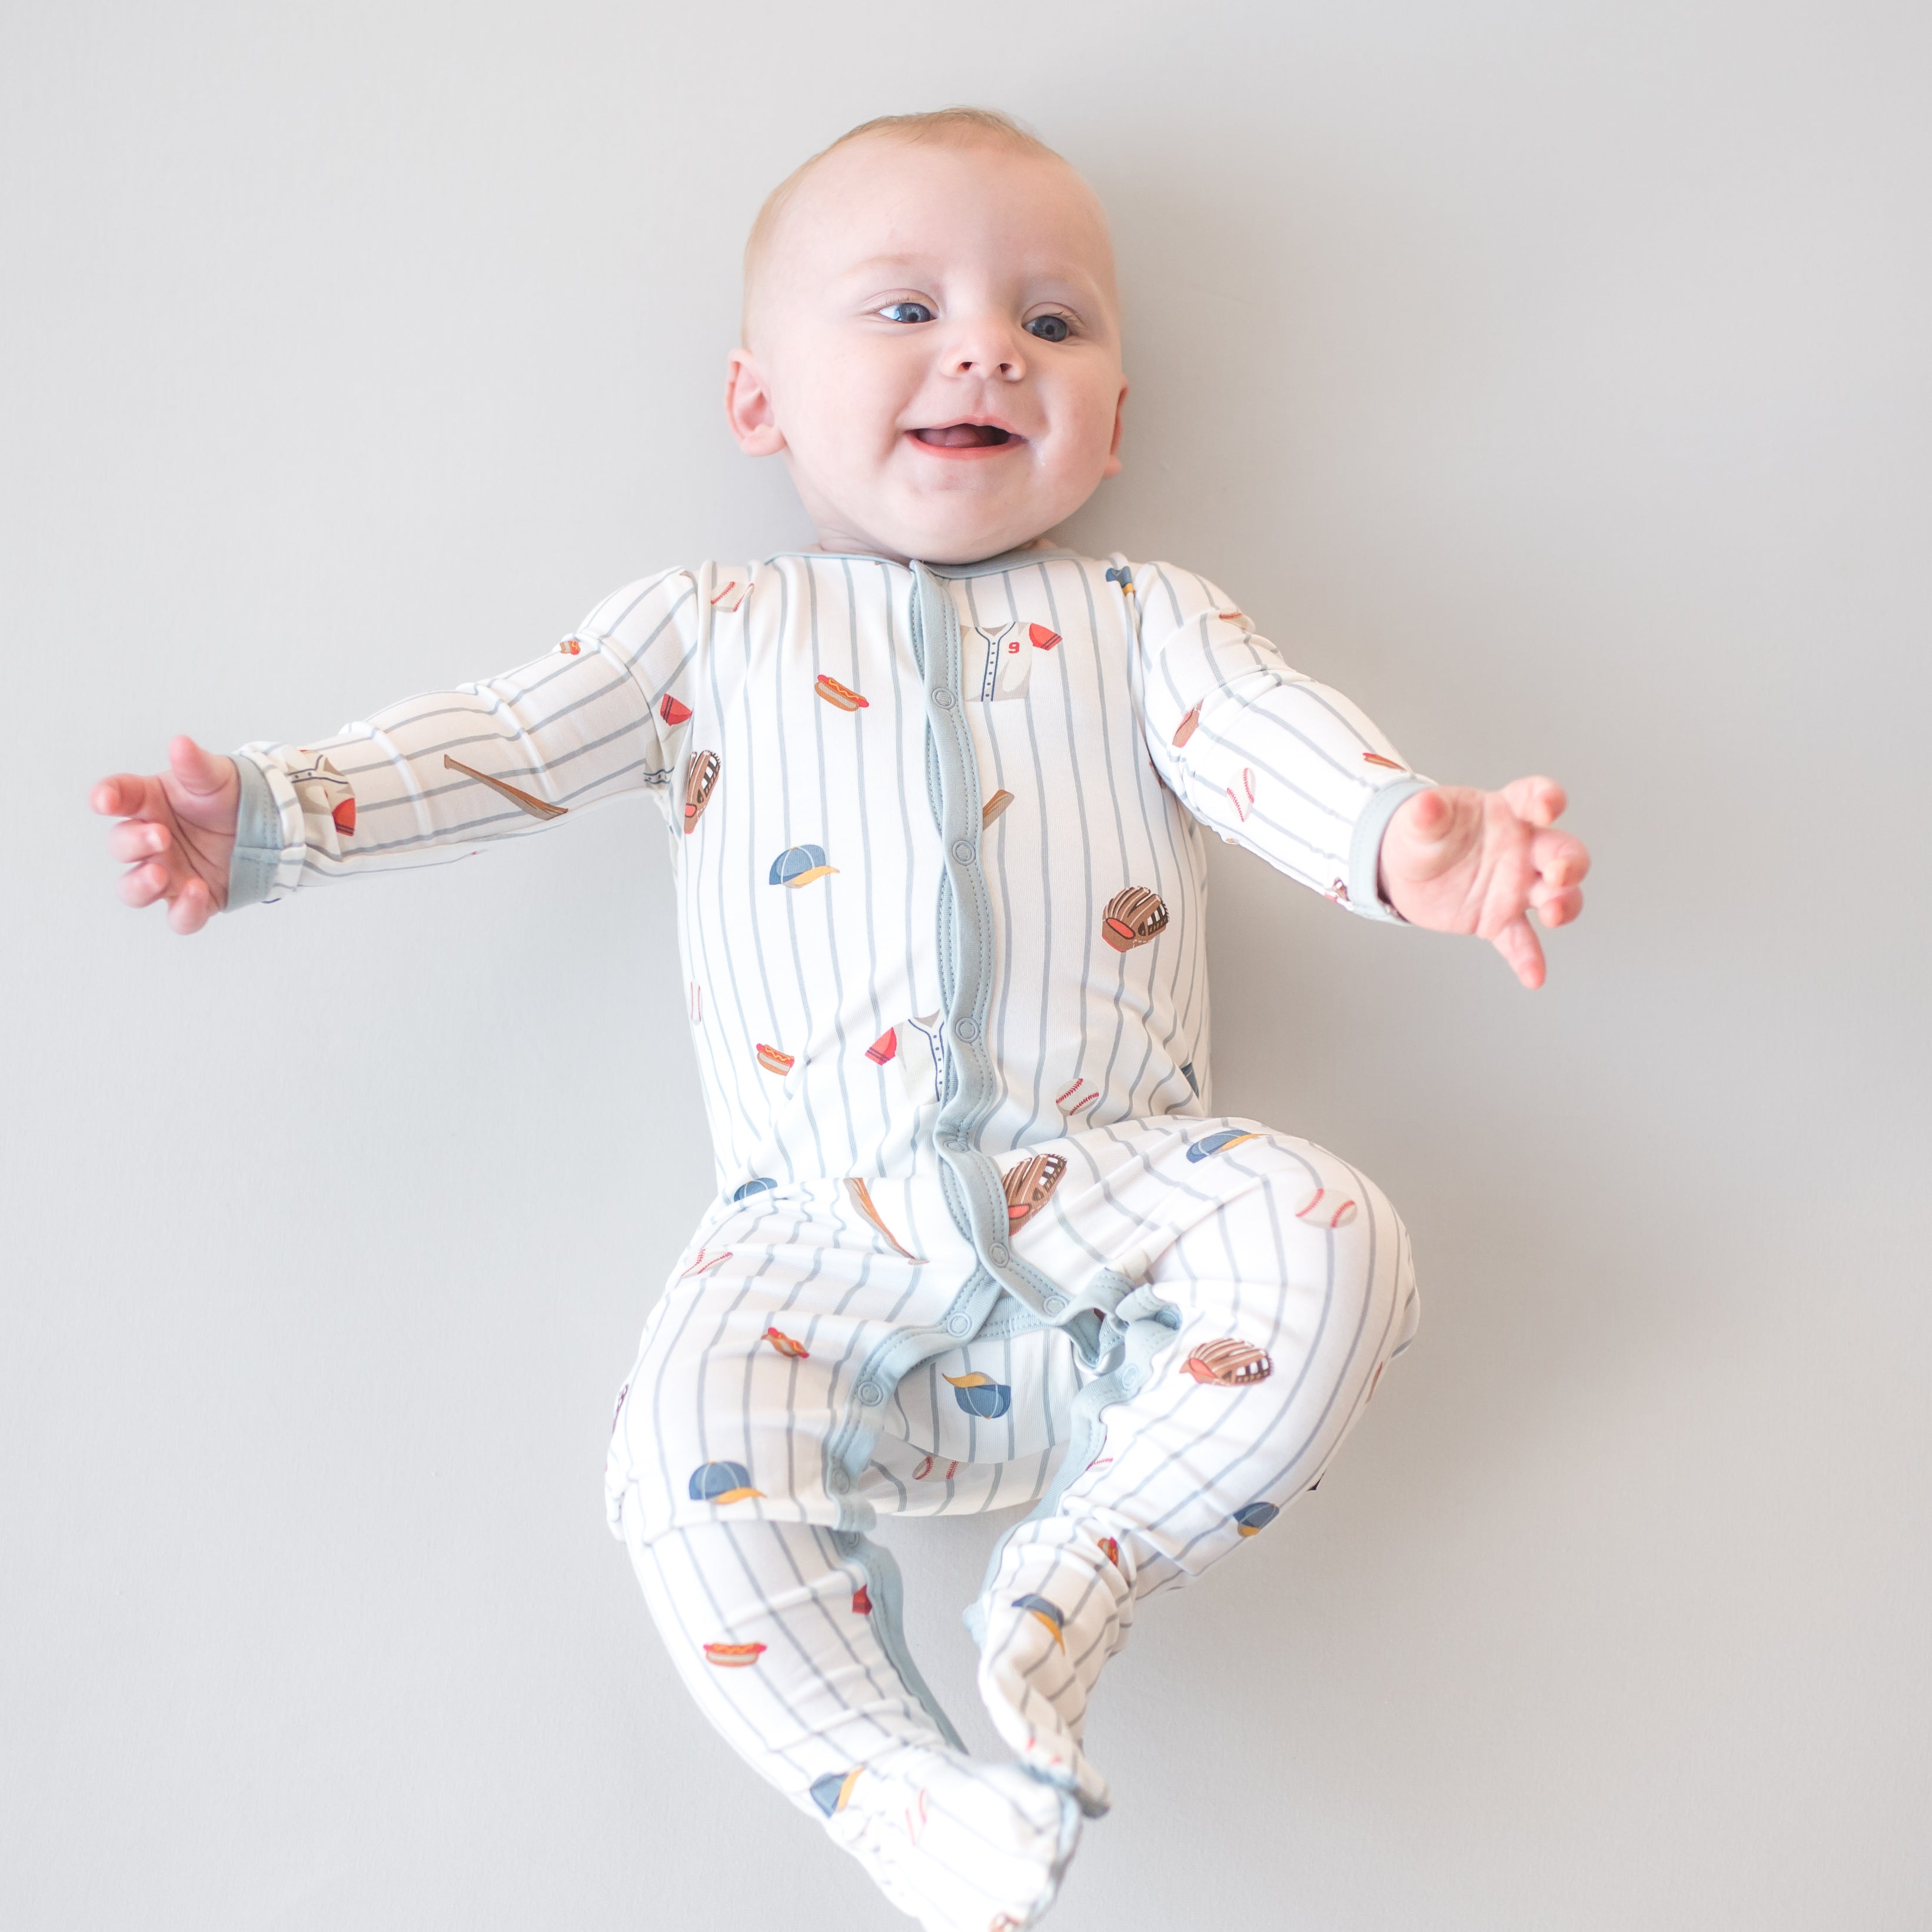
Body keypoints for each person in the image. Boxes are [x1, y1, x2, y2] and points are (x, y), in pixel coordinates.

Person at [91, 107, 1588, 1932]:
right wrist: (271, 813)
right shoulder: (706, 633)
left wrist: (1412, 847)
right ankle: (903, 1799)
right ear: (756, 402)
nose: (983, 348)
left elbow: (1276, 750)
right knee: (670, 1461)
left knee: (1337, 1232)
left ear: (1113, 424)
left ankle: (1072, 1579)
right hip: (818, 1234)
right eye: (902, 309)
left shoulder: (1144, 623)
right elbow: (502, 739)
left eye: (1051, 324)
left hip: (1108, 1207)